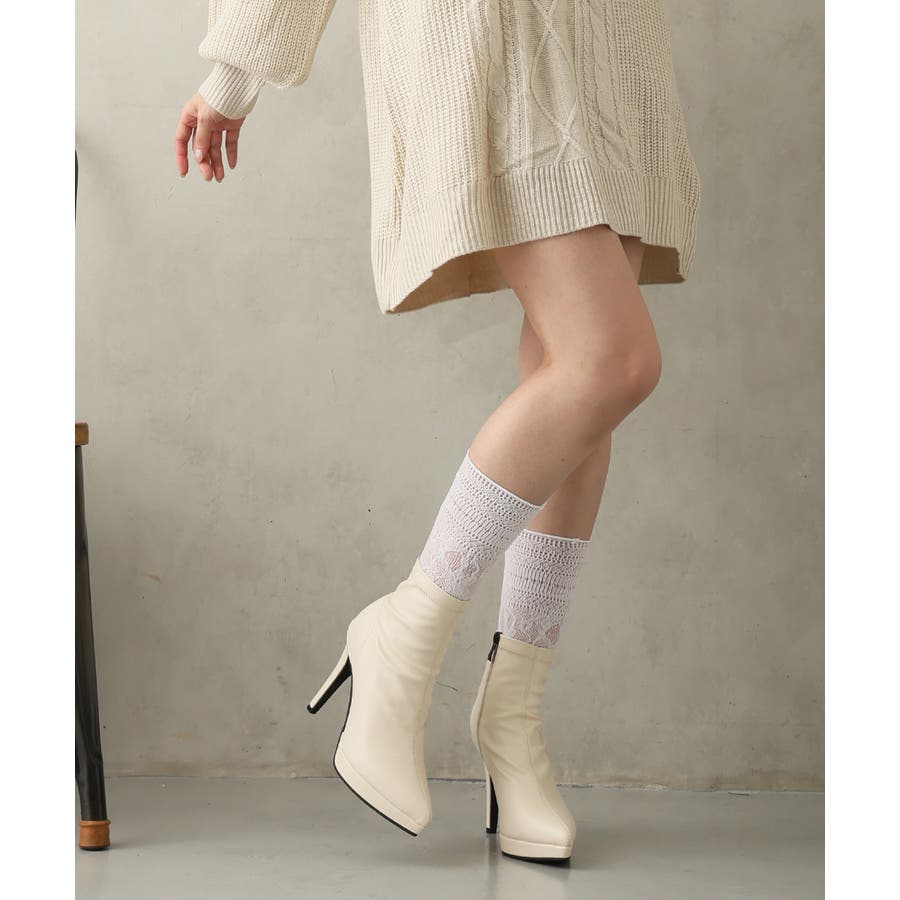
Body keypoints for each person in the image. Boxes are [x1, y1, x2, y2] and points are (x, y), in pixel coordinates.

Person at [173, 0, 701, 863]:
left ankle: (513, 717)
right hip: (490, 33)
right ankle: (406, 626)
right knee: (610, 361)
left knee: (572, 378)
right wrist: (232, 74)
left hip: (609, 35)